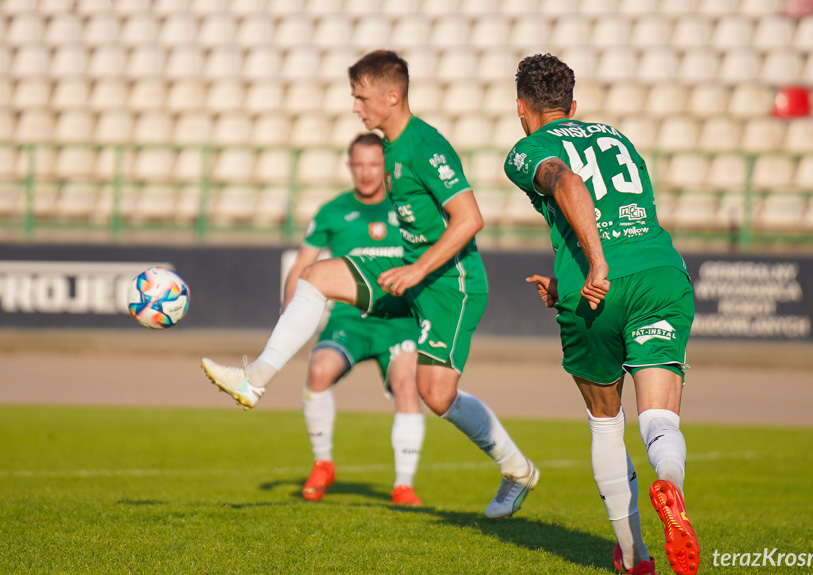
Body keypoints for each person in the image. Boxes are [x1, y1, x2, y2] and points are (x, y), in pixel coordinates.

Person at [202, 50, 538, 519]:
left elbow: (470, 219)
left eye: (361, 98)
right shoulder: (391, 150)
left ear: (392, 95)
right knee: (315, 276)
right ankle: (254, 379)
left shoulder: (425, 146)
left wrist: (418, 271)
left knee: (436, 395)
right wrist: (410, 267)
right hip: (410, 270)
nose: (356, 108)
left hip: (451, 285)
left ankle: (516, 469)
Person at [504, 54, 699, 575]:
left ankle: (635, 557)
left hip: (600, 287)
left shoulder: (528, 149)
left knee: (606, 423)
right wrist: (564, 276)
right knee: (659, 417)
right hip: (661, 273)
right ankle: (671, 488)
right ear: (573, 105)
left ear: (521, 108)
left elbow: (567, 183)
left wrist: (592, 264)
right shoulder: (617, 137)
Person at [282, 133, 424, 506]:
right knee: (318, 369)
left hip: (399, 320)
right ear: (349, 166)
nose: (365, 172)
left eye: (373, 164)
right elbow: (302, 265)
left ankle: (403, 485)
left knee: (408, 384)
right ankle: (323, 463)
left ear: (385, 167)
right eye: (358, 164)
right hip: (349, 318)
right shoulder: (333, 211)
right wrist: (287, 320)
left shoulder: (408, 208)